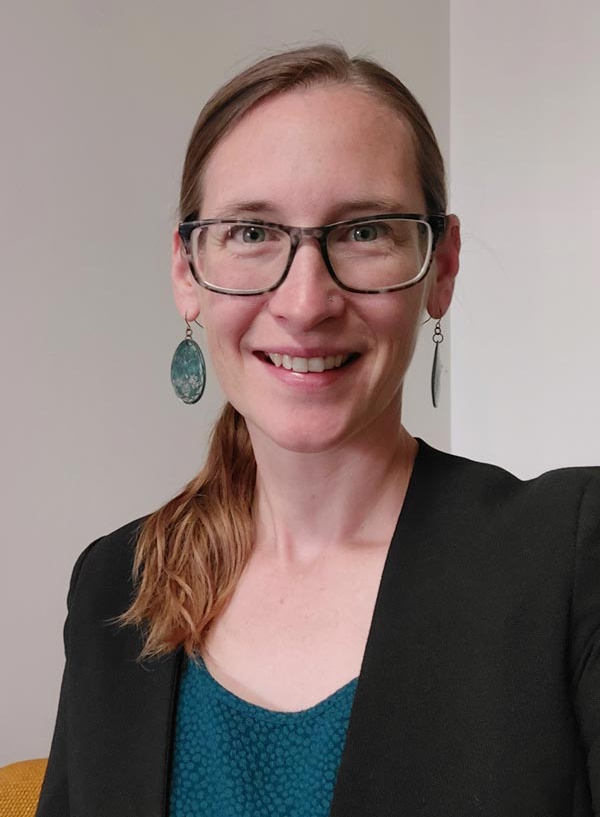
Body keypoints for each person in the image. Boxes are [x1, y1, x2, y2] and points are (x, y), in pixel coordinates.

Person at [36, 44, 600, 817]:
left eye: (364, 231)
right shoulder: (113, 583)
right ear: (186, 271)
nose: (305, 304)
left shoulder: (569, 558)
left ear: (441, 266)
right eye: (251, 232)